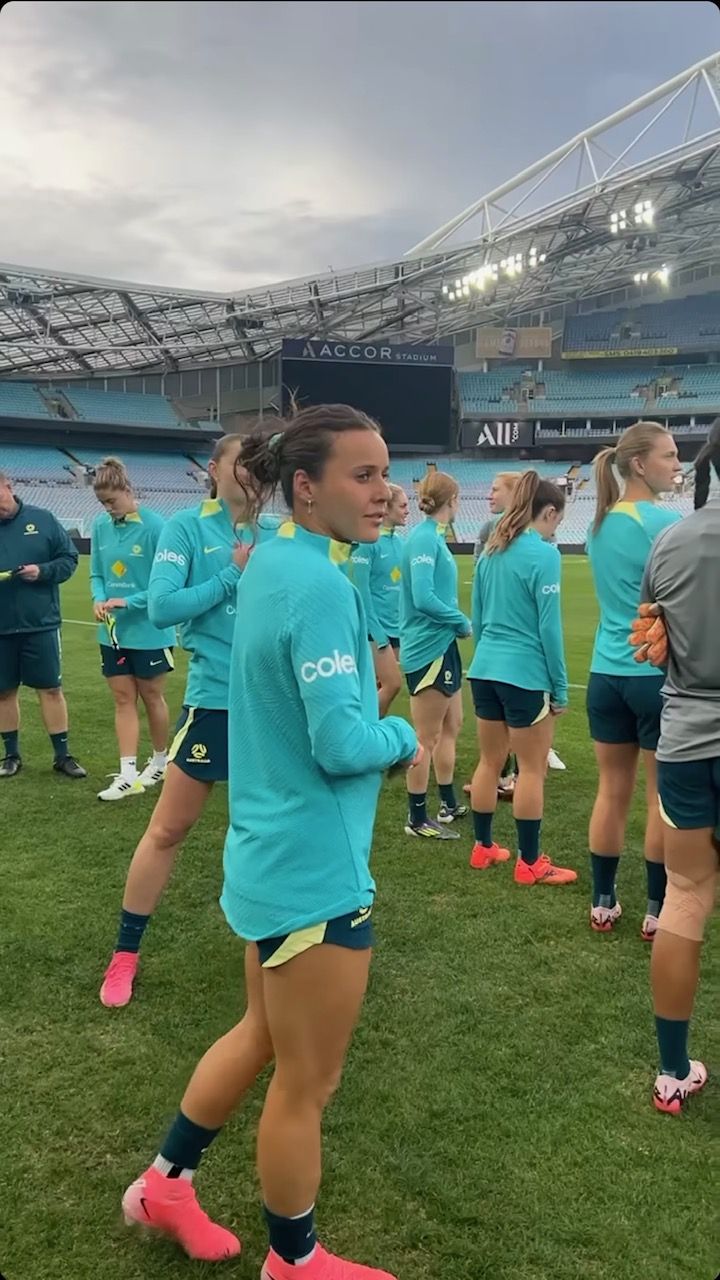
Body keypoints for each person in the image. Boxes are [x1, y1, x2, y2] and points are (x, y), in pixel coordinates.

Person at [120, 404, 420, 1279]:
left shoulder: (278, 561)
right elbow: (342, 742)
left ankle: (164, 1186)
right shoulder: (316, 583)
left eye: (385, 471)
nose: (383, 490)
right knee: (306, 1083)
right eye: (362, 475)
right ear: (304, 487)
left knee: (259, 1033)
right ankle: (293, 1261)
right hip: (311, 869)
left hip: (266, 851)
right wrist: (405, 738)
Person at [99, 435, 279, 1008]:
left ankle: (278, 947)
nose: (250, 472)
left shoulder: (280, 533)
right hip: (216, 701)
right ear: (214, 468)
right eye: (240, 462)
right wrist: (231, 575)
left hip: (273, 704)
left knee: (272, 832)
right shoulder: (185, 528)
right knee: (168, 830)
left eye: (258, 464)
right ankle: (125, 953)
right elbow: (161, 607)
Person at [638, 418, 719, 1114]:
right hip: (689, 730)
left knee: (686, 896)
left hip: (688, 739)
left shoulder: (671, 539)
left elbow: (653, 637)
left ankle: (671, 1070)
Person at [585, 422, 682, 937]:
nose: (678, 464)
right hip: (652, 675)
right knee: (658, 798)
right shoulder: (662, 523)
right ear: (639, 464)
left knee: (611, 791)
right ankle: (656, 908)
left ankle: (603, 901)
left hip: (605, 675)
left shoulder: (598, 524)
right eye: (669, 455)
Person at [468, 472, 576, 884]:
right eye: (556, 521)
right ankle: (530, 863)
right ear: (547, 513)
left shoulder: (491, 551)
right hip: (524, 674)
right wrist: (560, 688)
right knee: (531, 769)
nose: (555, 529)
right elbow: (549, 628)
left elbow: (478, 617)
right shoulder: (545, 555)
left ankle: (483, 847)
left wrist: (487, 661)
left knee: (489, 762)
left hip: (486, 670)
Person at [90, 458, 175, 801]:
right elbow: (97, 573)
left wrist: (129, 602)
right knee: (123, 699)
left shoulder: (156, 526)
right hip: (112, 632)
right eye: (102, 503)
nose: (108, 509)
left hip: (150, 629)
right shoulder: (100, 526)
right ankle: (127, 773)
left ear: (127, 490)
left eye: (112, 501)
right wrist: (98, 598)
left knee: (152, 696)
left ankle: (159, 761)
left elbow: (165, 582)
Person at [0, 468, 86, 779]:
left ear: (8, 486)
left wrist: (42, 571)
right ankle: (11, 755)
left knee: (51, 689)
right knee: (3, 693)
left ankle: (62, 756)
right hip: (1, 629)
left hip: (41, 625)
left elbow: (69, 559)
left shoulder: (43, 520)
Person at [399, 470, 470, 840]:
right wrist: (459, 620)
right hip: (428, 648)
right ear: (452, 500)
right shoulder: (424, 538)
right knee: (425, 737)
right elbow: (423, 597)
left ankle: (447, 803)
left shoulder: (433, 537)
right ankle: (416, 818)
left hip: (443, 645)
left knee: (452, 725)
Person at [349, 482, 408, 715]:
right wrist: (377, 633)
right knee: (392, 684)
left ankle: (371, 728)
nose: (407, 511)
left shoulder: (400, 543)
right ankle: (367, 728)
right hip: (374, 631)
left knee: (376, 687)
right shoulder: (367, 544)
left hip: (395, 629)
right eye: (402, 506)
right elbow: (361, 592)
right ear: (387, 508)